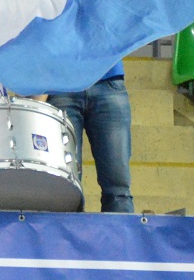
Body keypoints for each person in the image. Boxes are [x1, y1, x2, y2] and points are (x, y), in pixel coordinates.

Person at [47, 63, 135, 214]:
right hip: (59, 84)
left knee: (118, 188)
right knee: (66, 186)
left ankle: (120, 231)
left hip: (107, 79)